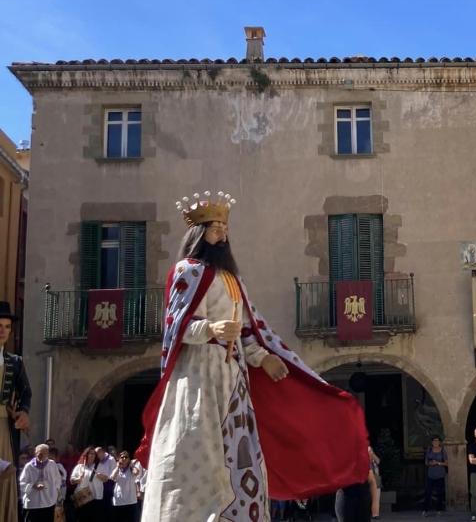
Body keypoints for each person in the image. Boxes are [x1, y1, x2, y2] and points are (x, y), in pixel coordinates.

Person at [136, 191, 370, 521]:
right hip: (199, 376)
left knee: (241, 453)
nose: (222, 234)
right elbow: (176, 325)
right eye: (215, 228)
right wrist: (211, 329)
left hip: (234, 378)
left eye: (224, 228)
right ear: (199, 233)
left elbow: (247, 329)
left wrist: (262, 358)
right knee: (197, 449)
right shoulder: (186, 271)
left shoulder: (232, 280)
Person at [1, 300, 32, 522]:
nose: (3, 331)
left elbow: (26, 392)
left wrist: (23, 411)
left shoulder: (15, 362)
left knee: (7, 476)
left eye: (7, 327)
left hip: (4, 427)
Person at [19, 444, 62, 522]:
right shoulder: (29, 466)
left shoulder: (52, 464)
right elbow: (22, 482)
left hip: (49, 500)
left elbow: (58, 479)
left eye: (45, 454)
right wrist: (33, 485)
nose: (43, 456)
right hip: (33, 502)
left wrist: (56, 489)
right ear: (36, 453)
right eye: (40, 454)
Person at [109, 451, 138, 522]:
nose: (124, 458)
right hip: (119, 501)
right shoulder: (117, 469)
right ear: (119, 459)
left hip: (130, 501)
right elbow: (113, 477)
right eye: (122, 457)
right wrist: (118, 467)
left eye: (126, 457)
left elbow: (136, 472)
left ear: (129, 459)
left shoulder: (131, 469)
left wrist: (132, 465)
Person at [423, 435, 447, 517]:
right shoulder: (429, 450)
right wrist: (430, 463)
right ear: (432, 442)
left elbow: (446, 463)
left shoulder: (443, 451)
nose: (436, 442)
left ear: (439, 442)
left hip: (440, 475)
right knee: (428, 492)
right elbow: (426, 462)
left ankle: (439, 510)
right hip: (431, 475)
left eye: (437, 440)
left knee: (439, 493)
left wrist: (438, 463)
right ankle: (425, 510)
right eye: (434, 441)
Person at [367, 445, 381, 520]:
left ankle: (376, 513)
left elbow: (378, 461)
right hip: (368, 478)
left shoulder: (373, 458)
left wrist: (372, 455)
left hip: (375, 478)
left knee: (377, 494)